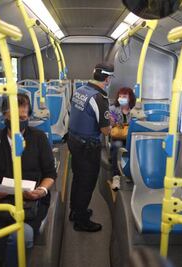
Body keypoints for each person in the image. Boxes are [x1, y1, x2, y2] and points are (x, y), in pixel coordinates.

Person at [0, 93, 57, 265]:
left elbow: (50, 174)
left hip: (29, 206)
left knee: (21, 236)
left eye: (23, 117)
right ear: (5, 116)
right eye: (14, 117)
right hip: (0, 204)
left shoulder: (38, 138)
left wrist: (40, 191)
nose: (20, 121)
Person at [67, 62, 113, 232]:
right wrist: (111, 123)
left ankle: (75, 211)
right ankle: (81, 221)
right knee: (86, 182)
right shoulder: (99, 98)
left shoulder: (79, 91)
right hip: (88, 147)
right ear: (107, 79)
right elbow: (105, 131)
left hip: (73, 141)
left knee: (78, 178)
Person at [109, 87, 136, 190]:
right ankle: (116, 177)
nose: (121, 98)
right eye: (120, 96)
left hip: (131, 137)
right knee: (118, 145)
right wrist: (112, 121)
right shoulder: (113, 109)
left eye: (124, 96)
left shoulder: (134, 110)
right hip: (118, 137)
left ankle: (131, 172)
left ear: (130, 98)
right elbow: (109, 124)